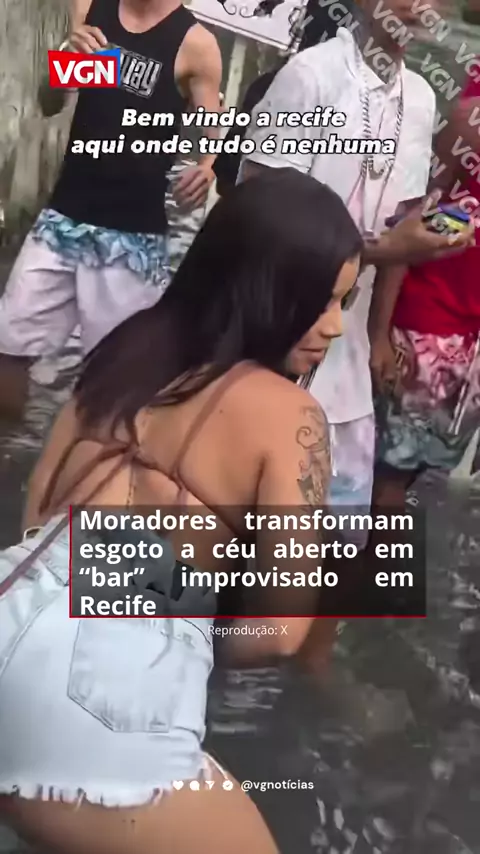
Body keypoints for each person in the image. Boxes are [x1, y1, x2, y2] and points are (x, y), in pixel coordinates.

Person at [0, 168, 362, 854]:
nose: (336, 326)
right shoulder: (293, 416)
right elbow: (281, 634)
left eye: (345, 301)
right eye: (321, 301)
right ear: (264, 288)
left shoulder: (127, 346)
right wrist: (187, 632)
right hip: (102, 690)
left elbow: (38, 511)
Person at [240, 0, 474, 668]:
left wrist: (377, 333)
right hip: (271, 336)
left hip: (345, 357)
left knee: (341, 532)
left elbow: (402, 225)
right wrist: (377, 249)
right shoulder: (310, 77)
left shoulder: (421, 100)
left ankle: (310, 665)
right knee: (234, 519)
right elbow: (253, 215)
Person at [0, 0, 222, 421]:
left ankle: (79, 459)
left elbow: (209, 123)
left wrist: (207, 165)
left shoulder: (194, 44)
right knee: (8, 350)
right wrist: (65, 60)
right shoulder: (91, 10)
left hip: (131, 237)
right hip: (63, 220)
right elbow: (51, 103)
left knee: (111, 381)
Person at [370, 72, 480, 510]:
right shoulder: (469, 119)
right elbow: (416, 214)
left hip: (468, 343)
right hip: (429, 323)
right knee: (391, 474)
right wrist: (378, 333)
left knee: (428, 478)